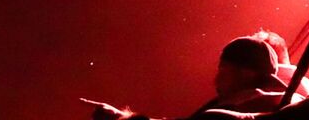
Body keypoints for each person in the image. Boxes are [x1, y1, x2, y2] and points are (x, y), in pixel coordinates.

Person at [82, 37, 291, 120]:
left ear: (246, 73)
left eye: (223, 69)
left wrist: (118, 118)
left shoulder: (238, 109)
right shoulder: (282, 102)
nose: (216, 78)